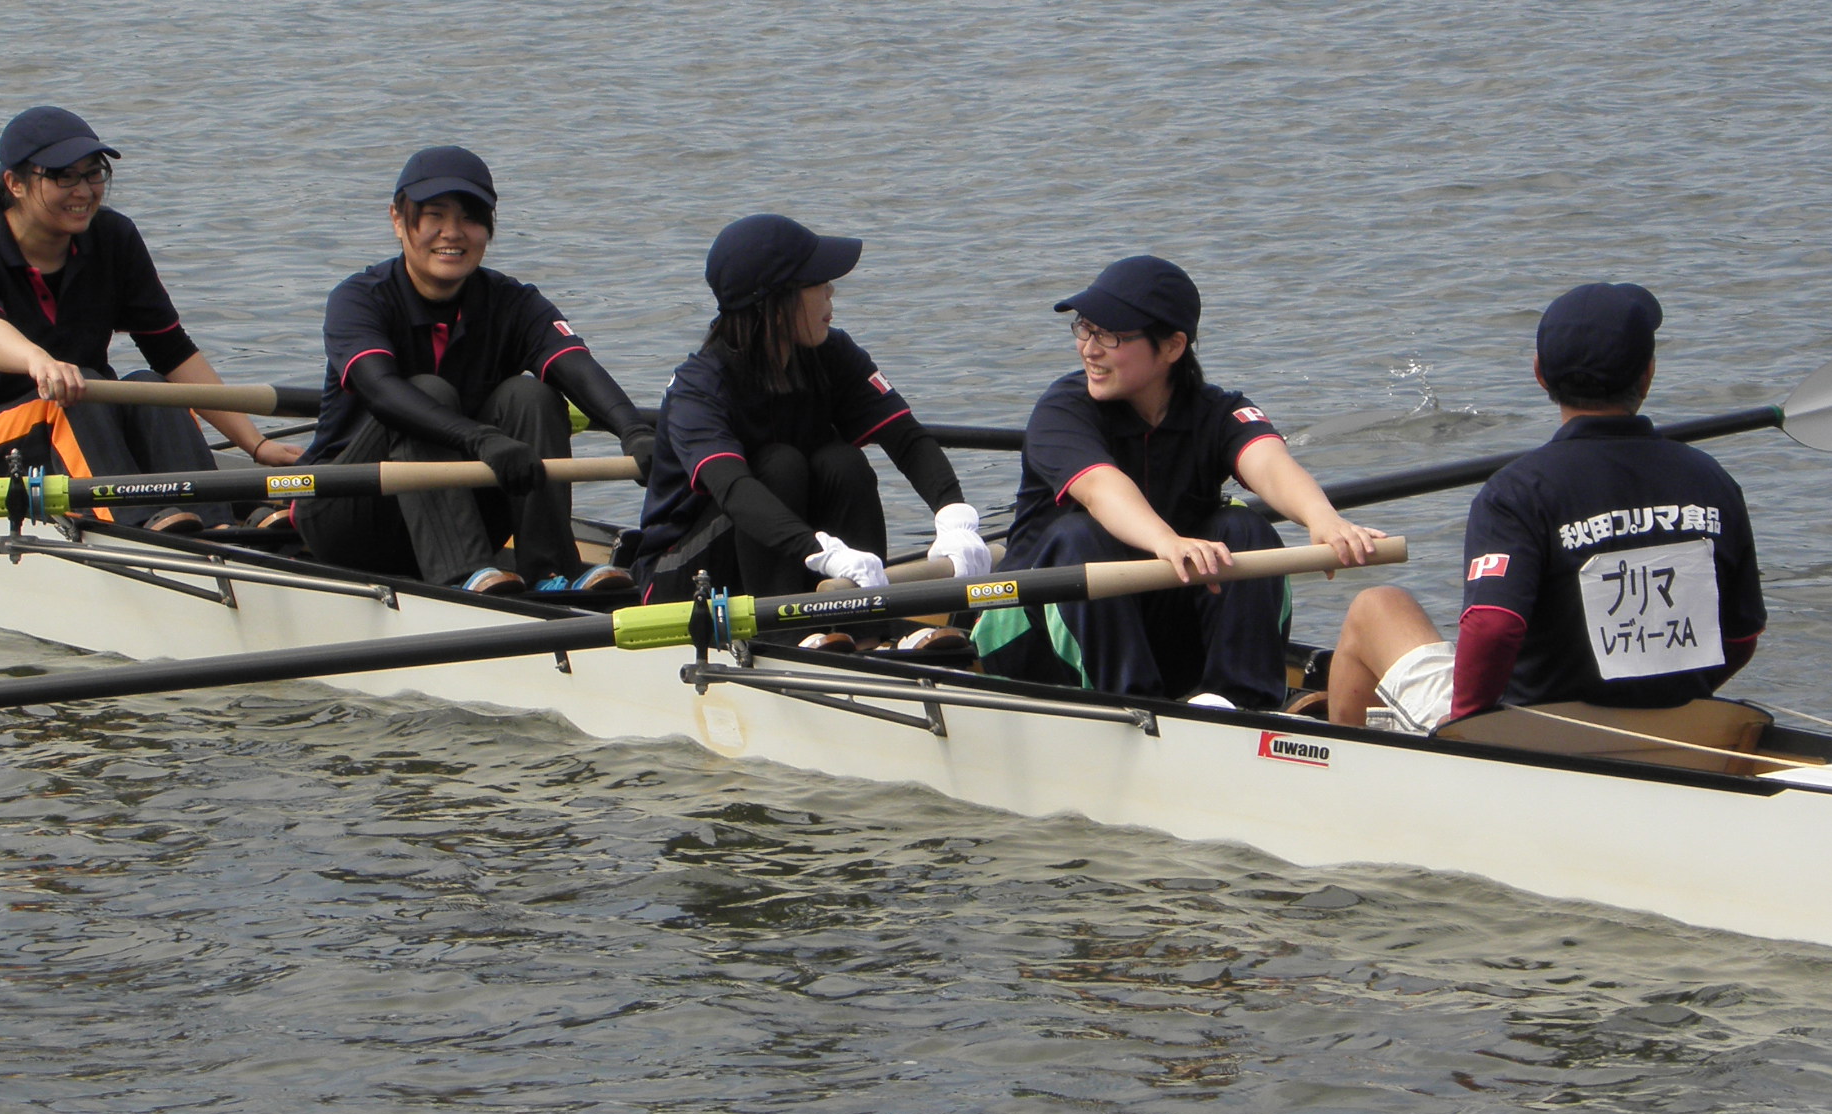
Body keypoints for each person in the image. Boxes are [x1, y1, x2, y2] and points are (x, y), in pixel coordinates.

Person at [1325, 282, 1765, 730]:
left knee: (1376, 606)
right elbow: (1741, 636)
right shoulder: (1712, 481)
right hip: (1682, 728)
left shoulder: (1516, 493)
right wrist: (1673, 695)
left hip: (1534, 738)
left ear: (1539, 374)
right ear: (1648, 374)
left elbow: (1494, 626)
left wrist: (1468, 728)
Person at [972, 256, 1378, 710]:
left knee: (1245, 529)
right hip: (1035, 638)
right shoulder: (1062, 411)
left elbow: (1268, 463)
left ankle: (1238, 703)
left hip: (1150, 622)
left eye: (1111, 336)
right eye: (1084, 329)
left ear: (1171, 347)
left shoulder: (1217, 410)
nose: (1089, 349)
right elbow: (1102, 488)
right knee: (1080, 534)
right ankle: (1133, 709)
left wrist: (1324, 521)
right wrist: (1167, 541)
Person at [294, 147, 657, 596]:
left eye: (470, 218)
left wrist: (634, 432)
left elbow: (576, 368)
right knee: (425, 393)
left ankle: (550, 572)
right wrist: (479, 438)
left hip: (461, 507)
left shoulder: (512, 302)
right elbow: (382, 392)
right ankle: (462, 578)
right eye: (434, 215)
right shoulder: (359, 299)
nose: (452, 233)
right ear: (396, 218)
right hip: (348, 514)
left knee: (532, 396)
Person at [0, 106, 303, 530]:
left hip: (82, 422)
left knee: (147, 387)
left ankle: (217, 526)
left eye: (94, 174)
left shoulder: (113, 237)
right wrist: (39, 362)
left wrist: (254, 444)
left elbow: (173, 351)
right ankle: (133, 532)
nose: (84, 191)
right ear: (15, 184)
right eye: (63, 176)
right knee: (73, 400)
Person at [626, 214, 989, 603]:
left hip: (789, 551)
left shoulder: (831, 353)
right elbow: (735, 490)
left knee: (842, 463)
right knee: (778, 467)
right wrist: (822, 552)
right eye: (818, 282)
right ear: (774, 302)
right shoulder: (698, 389)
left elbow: (908, 440)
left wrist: (953, 516)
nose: (831, 291)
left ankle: (866, 620)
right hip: (678, 574)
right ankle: (784, 634)